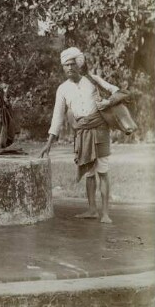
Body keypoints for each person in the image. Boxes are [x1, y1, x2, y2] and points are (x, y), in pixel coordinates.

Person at [40, 47, 118, 224]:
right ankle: (92, 209)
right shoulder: (62, 89)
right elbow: (57, 117)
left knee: (103, 170)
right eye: (66, 65)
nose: (69, 68)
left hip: (100, 129)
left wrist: (107, 102)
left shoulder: (92, 80)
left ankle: (105, 213)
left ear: (79, 64)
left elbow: (117, 91)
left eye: (72, 64)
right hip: (82, 133)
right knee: (89, 172)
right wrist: (48, 143)